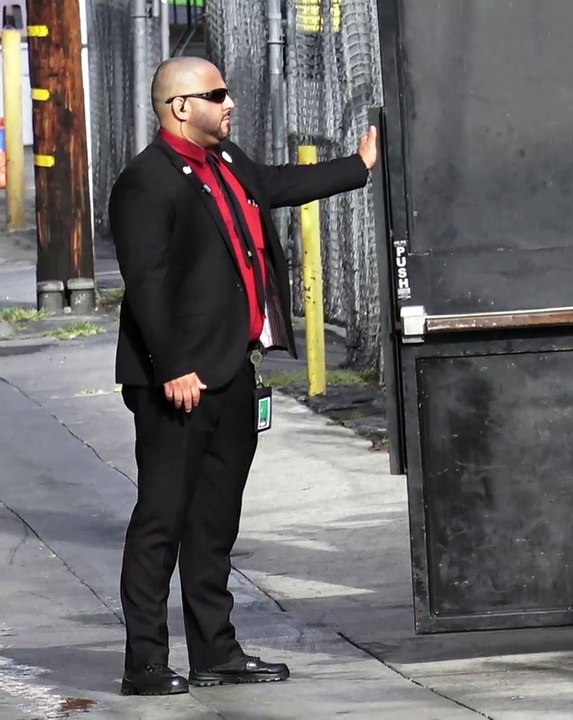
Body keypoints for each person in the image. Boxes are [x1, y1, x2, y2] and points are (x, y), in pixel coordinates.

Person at [109, 56, 379, 696]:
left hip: (233, 371)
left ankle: (216, 653)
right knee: (161, 521)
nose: (230, 105)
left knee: (214, 522)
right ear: (180, 107)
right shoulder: (148, 182)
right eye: (217, 95)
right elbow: (145, 285)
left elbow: (277, 185)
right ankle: (144, 664)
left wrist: (359, 167)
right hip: (180, 381)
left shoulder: (228, 165)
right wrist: (174, 366)